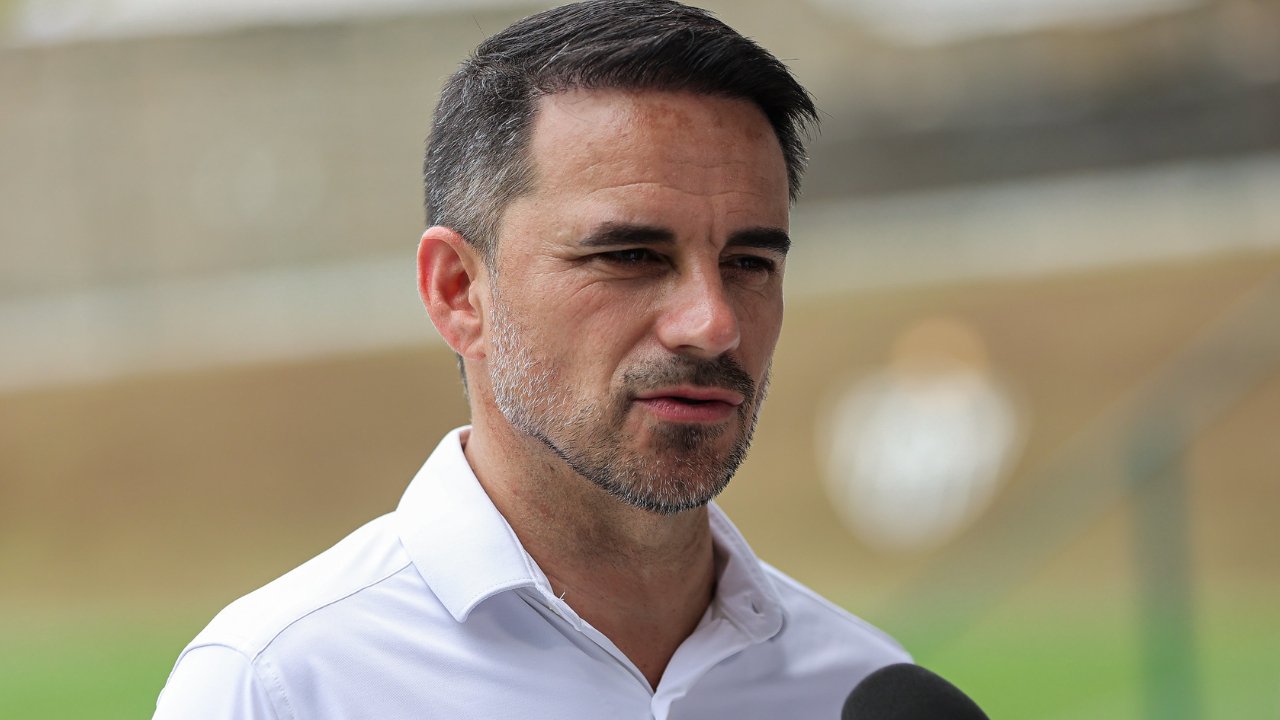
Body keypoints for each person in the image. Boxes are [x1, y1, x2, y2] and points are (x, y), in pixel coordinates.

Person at [154, 1, 909, 717]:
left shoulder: (861, 690)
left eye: (749, 262)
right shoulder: (282, 688)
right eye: (632, 255)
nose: (712, 324)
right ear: (459, 292)